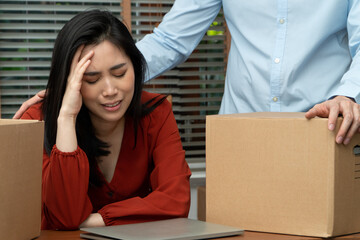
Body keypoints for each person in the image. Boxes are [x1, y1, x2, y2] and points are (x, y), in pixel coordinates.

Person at [15, 1, 360, 145]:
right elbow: (170, 40)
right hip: (241, 132)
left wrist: (347, 95)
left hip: (326, 128)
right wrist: (79, 84)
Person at [20, 10, 191, 230]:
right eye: (91, 79)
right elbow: (65, 217)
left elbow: (176, 201)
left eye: (120, 73)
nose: (110, 90)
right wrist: (67, 118)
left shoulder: (156, 113)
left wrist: (94, 220)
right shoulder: (37, 120)